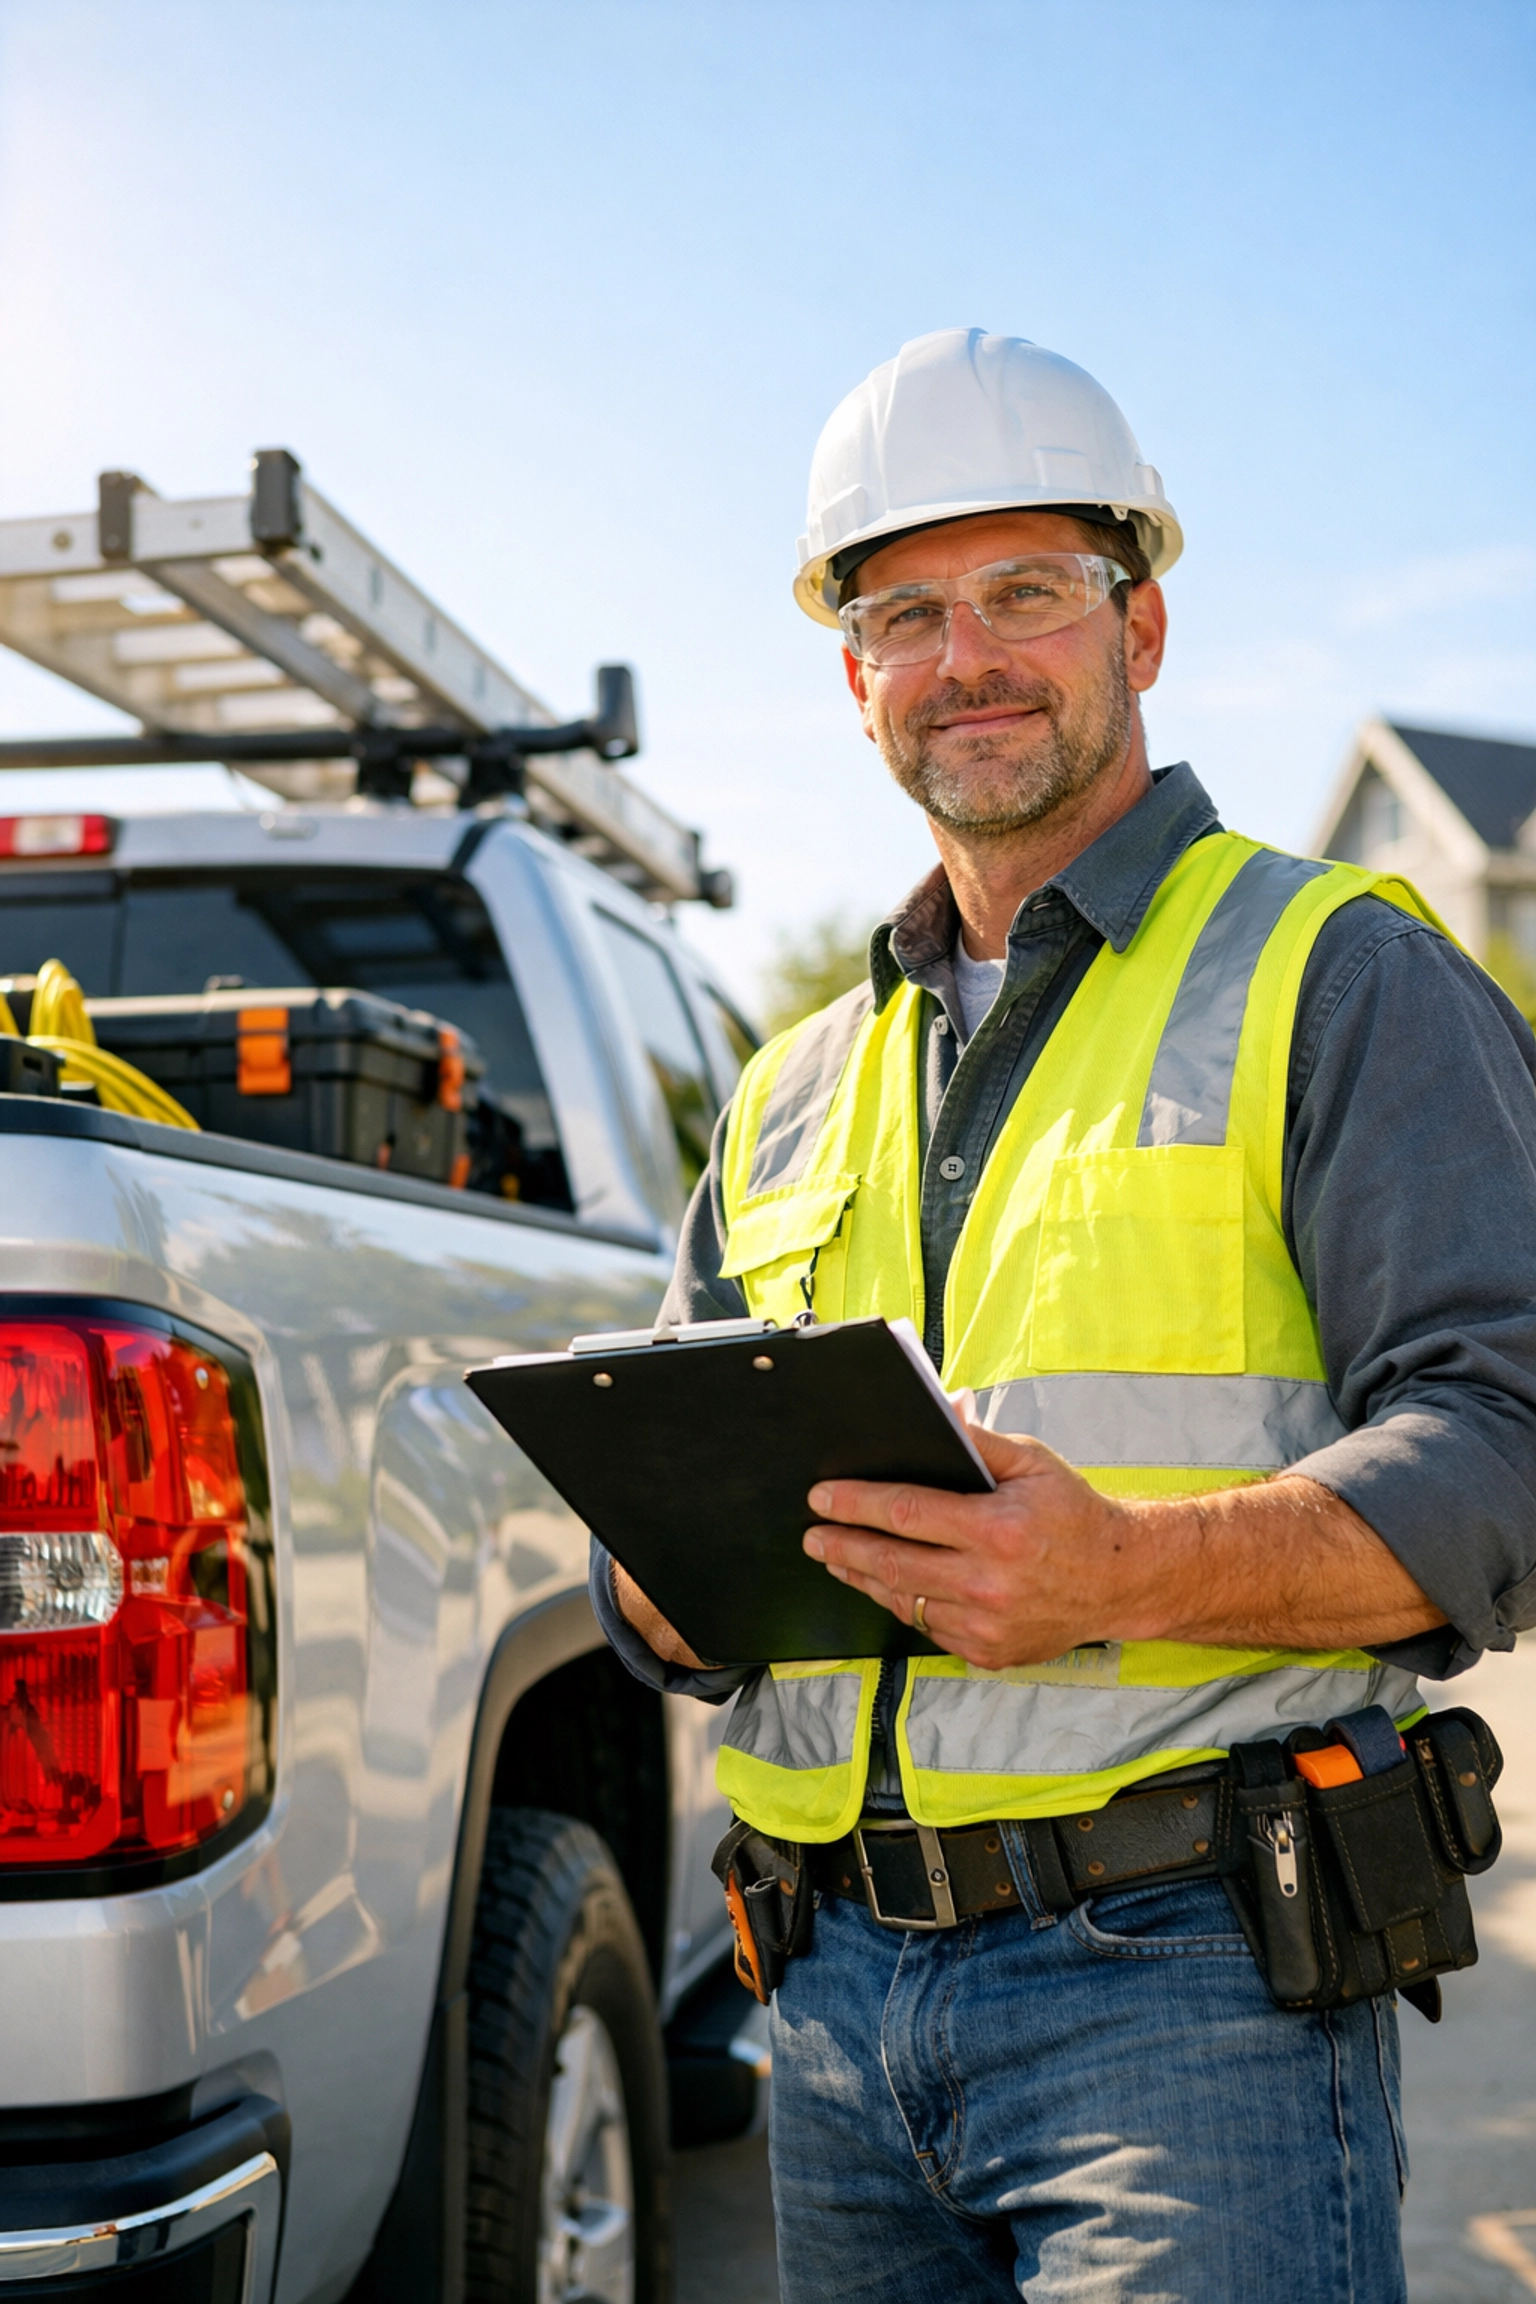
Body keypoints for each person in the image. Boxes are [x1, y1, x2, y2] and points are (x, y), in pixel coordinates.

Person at [592, 328, 1536, 2302]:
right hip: (830, 2004)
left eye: (1027, 592)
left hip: (1186, 1992)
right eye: (906, 612)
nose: (968, 656)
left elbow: (1506, 1443)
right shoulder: (786, 1083)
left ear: (1147, 625)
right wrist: (656, 1587)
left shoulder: (1334, 974)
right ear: (854, 678)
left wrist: (1123, 1569)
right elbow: (656, 1530)